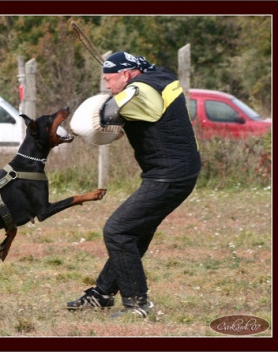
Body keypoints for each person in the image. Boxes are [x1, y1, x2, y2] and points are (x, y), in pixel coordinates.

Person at [67, 52, 201, 318]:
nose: (107, 85)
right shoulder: (158, 78)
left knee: (117, 231)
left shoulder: (139, 91)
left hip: (169, 176)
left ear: (126, 74)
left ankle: (137, 304)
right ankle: (102, 294)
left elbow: (101, 117)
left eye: (109, 79)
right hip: (177, 172)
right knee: (135, 232)